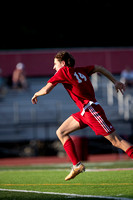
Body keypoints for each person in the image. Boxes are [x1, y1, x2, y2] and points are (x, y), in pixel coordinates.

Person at [31, 51, 133, 181]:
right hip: (85, 112)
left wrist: (35, 94)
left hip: (92, 111)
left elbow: (46, 90)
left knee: (116, 141)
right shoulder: (81, 70)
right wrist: (115, 81)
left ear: (63, 63)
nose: (53, 67)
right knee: (61, 132)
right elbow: (99, 68)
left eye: (55, 64)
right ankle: (77, 166)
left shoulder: (63, 72)